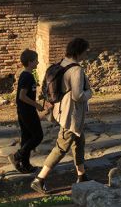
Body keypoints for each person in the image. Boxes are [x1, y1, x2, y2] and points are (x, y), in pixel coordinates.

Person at [31, 38, 93, 193]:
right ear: (79, 51)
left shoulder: (61, 63)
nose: (87, 54)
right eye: (86, 51)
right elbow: (78, 96)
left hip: (60, 110)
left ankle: (82, 175)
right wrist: (89, 93)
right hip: (70, 114)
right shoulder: (76, 70)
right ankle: (39, 179)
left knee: (79, 141)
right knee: (62, 146)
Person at [12, 49, 47, 173]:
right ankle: (17, 155)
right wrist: (36, 105)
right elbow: (22, 96)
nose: (38, 63)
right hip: (27, 111)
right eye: (36, 60)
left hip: (23, 110)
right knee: (38, 136)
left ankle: (25, 164)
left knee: (26, 137)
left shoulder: (25, 74)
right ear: (30, 62)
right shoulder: (27, 76)